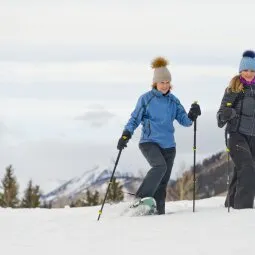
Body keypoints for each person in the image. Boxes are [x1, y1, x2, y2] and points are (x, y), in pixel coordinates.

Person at [117, 57, 201, 214]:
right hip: (149, 142)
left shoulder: (173, 101)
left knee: (163, 182)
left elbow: (186, 121)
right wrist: (126, 134)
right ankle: (140, 199)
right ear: (155, 83)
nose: (165, 85)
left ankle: (157, 211)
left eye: (167, 82)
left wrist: (192, 114)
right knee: (159, 166)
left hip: (169, 146)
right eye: (162, 82)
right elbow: (135, 119)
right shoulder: (146, 99)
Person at [217, 50, 255, 209]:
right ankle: (243, 209)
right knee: (247, 168)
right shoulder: (233, 89)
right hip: (236, 135)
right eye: (246, 70)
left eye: (252, 70)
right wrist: (227, 113)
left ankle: (231, 203)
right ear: (240, 71)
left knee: (242, 170)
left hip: (253, 137)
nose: (249, 74)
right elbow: (220, 119)